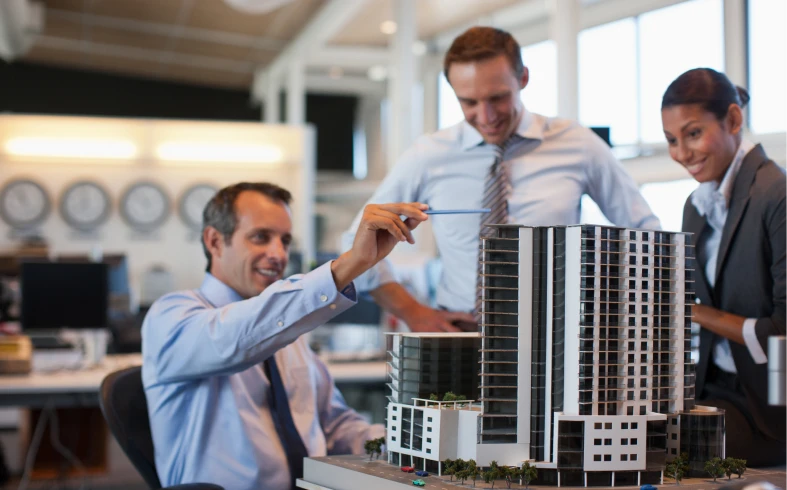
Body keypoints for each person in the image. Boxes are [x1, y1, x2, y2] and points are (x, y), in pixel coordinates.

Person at [342, 26, 660, 332]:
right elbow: (354, 241)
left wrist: (613, 305)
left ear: (523, 78)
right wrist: (412, 311)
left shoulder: (577, 143)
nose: (486, 116)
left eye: (497, 98)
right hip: (461, 332)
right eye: (469, 102)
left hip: (557, 335)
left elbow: (648, 236)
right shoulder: (428, 155)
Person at [142, 182, 429, 490]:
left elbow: (334, 426)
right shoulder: (172, 316)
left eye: (285, 240)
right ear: (214, 241)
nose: (278, 254)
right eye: (260, 237)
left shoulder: (288, 333)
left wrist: (416, 443)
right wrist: (351, 263)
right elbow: (236, 339)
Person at [662, 67, 787, 466]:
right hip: (713, 390)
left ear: (733, 120)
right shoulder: (696, 206)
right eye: (671, 140)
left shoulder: (777, 195)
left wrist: (694, 312)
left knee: (668, 448)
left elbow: (784, 331)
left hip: (770, 405)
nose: (682, 154)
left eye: (693, 134)